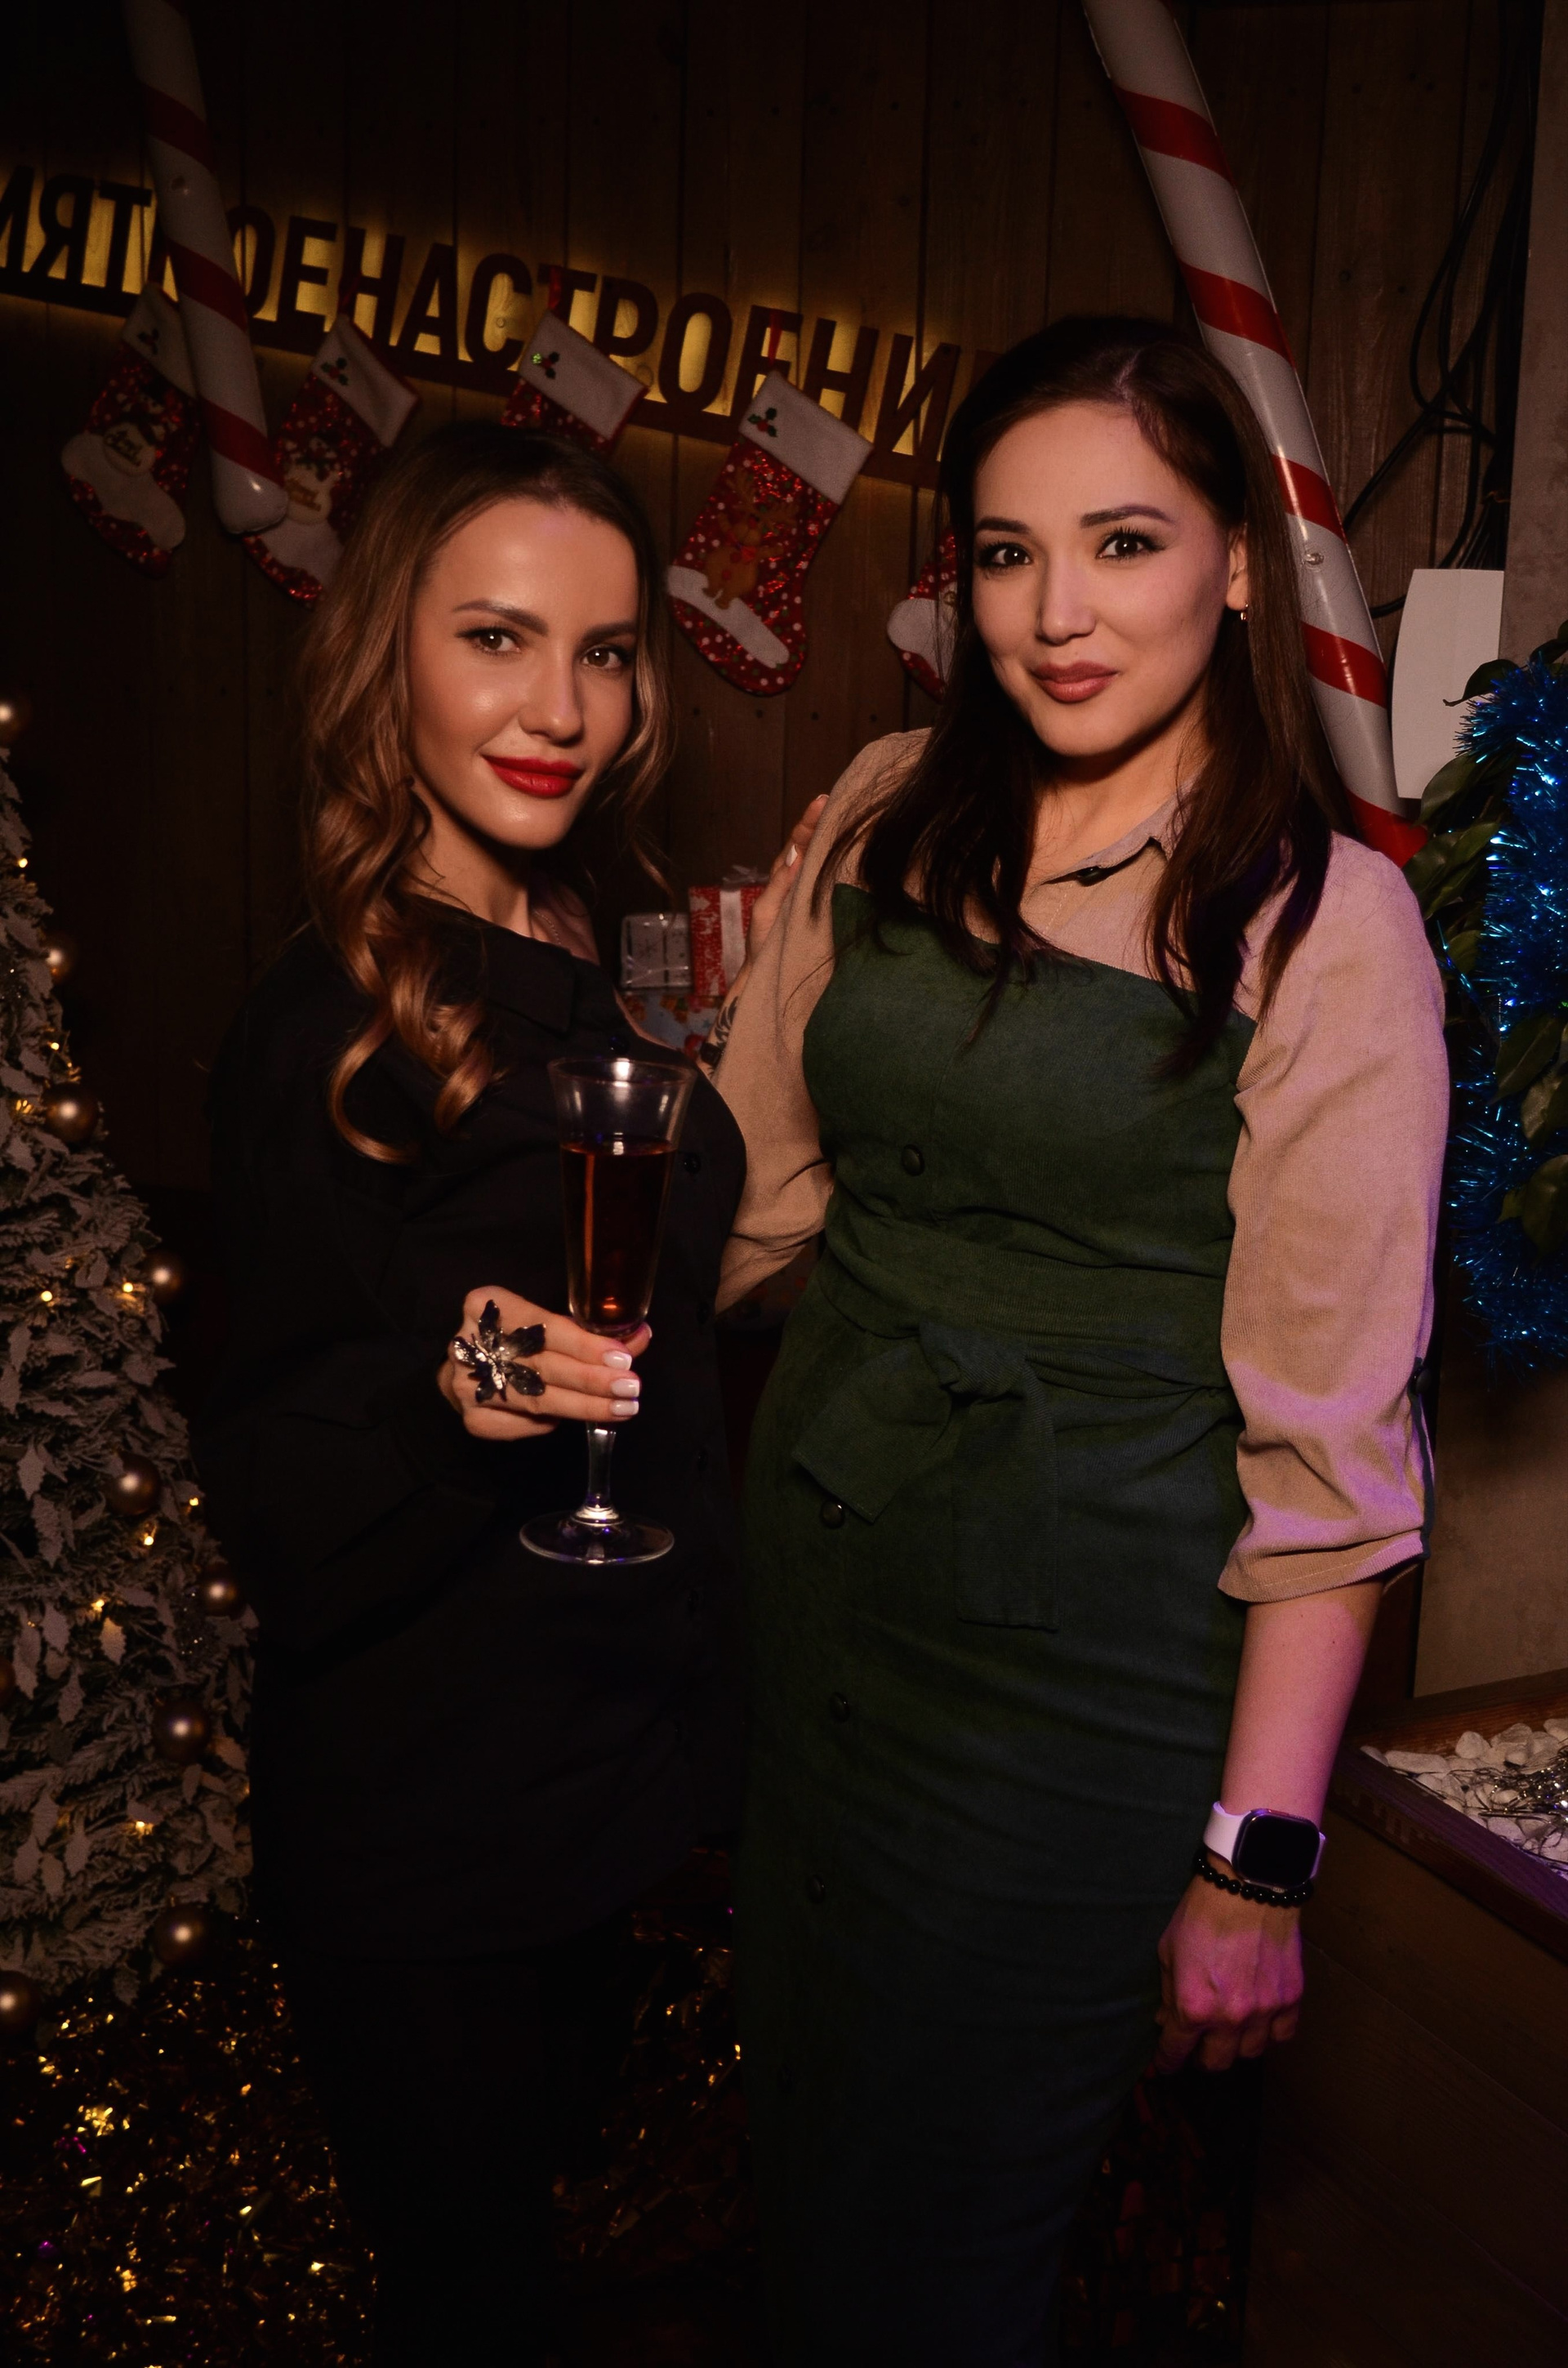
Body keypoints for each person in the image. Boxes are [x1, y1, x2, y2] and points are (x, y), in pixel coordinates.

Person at [711, 316, 1450, 2364]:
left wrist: (1257, 1865)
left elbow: (1333, 1460)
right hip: (824, 1607)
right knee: (806, 2199)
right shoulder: (889, 806)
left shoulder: (1325, 927)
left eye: (1124, 542)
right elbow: (744, 1202)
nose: (1057, 615)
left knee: (939, 2270)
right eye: (1007, 552)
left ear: (1238, 565)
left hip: (1074, 1686)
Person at [194, 421, 808, 2367]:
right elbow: (267, 1496)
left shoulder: (579, 948)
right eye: (496, 639)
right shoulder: (327, 1028)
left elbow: (684, 1286)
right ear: (385, 652)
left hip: (602, 1786)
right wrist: (442, 1396)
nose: (561, 710)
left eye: (605, 653)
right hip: (430, 1832)